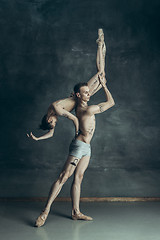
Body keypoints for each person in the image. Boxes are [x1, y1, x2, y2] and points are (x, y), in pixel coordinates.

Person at [34, 40, 115, 227]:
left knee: (78, 178)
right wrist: (76, 130)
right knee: (64, 176)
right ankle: (44, 212)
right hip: (79, 145)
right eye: (52, 123)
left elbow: (56, 128)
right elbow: (73, 120)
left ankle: (76, 212)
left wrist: (39, 137)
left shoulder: (57, 108)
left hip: (87, 147)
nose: (54, 123)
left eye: (52, 122)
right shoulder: (61, 109)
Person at [27, 29, 106, 140]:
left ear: (49, 120)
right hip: (80, 99)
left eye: (54, 123)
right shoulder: (51, 111)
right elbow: (51, 134)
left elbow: (74, 119)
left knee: (101, 73)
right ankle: (101, 49)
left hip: (80, 96)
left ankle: (100, 44)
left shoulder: (56, 109)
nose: (56, 122)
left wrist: (76, 133)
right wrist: (37, 138)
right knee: (103, 79)